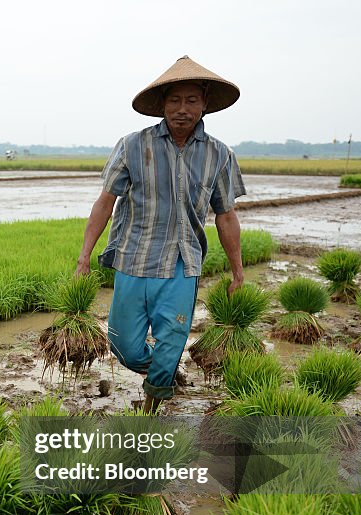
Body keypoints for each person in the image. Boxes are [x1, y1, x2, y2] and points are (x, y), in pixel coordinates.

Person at [74, 55, 247, 414]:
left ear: (205, 104)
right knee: (124, 346)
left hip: (183, 264)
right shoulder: (132, 146)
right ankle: (165, 374)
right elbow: (105, 202)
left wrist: (238, 271)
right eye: (174, 100)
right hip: (135, 258)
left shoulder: (220, 155)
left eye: (191, 101)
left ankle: (152, 407)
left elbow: (226, 215)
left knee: (172, 341)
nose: (182, 109)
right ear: (162, 105)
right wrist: (84, 256)